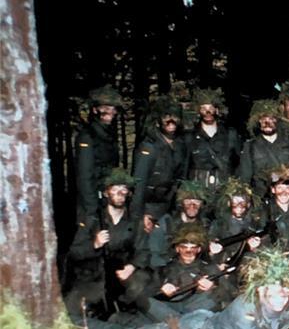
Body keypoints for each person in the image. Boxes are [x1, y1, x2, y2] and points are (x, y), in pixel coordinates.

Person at [82, 246, 289, 329]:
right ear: (259, 290)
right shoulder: (244, 311)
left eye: (285, 293)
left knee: (138, 324)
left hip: (202, 320)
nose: (281, 298)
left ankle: (120, 317)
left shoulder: (288, 304)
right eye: (274, 293)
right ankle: (79, 323)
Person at [66, 168, 150, 317]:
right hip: (94, 276)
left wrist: (131, 267)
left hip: (121, 276)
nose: (120, 193)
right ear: (106, 193)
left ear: (129, 193)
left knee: (141, 289)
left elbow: (143, 252)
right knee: (75, 309)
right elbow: (74, 252)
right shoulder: (92, 220)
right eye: (115, 189)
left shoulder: (134, 222)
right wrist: (95, 244)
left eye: (124, 189)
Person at [132, 96, 189, 231]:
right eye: (166, 118)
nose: (171, 122)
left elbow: (182, 177)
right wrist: (140, 214)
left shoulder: (180, 146)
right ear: (158, 121)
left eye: (175, 118)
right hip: (150, 207)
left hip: (171, 207)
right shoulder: (149, 147)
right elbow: (139, 183)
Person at [238, 99, 289, 199]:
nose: (267, 123)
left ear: (277, 120)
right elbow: (245, 177)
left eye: (271, 119)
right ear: (258, 121)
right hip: (262, 197)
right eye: (263, 119)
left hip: (288, 194)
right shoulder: (250, 146)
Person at [75, 85, 123, 219]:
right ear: (95, 110)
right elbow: (85, 176)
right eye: (106, 109)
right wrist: (92, 209)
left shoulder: (107, 135)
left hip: (106, 198)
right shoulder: (88, 137)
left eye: (113, 109)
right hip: (92, 202)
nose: (111, 113)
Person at [185, 87, 241, 192]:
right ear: (198, 111)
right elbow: (184, 167)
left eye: (211, 108)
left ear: (217, 110)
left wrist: (236, 187)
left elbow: (239, 163)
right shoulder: (190, 137)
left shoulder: (231, 134)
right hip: (198, 191)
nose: (207, 112)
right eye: (203, 108)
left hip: (225, 190)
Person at [146, 180, 211, 270]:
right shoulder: (167, 222)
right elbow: (153, 254)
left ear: (202, 204)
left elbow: (207, 255)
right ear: (181, 203)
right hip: (167, 269)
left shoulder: (206, 225)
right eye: (187, 201)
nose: (192, 206)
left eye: (196, 202)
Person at [207, 178, 266, 268]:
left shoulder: (255, 224)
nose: (239, 206)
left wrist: (256, 245)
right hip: (222, 264)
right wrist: (212, 245)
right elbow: (210, 239)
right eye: (235, 202)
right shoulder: (218, 223)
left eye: (243, 202)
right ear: (229, 203)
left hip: (246, 265)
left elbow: (264, 244)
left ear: (248, 204)